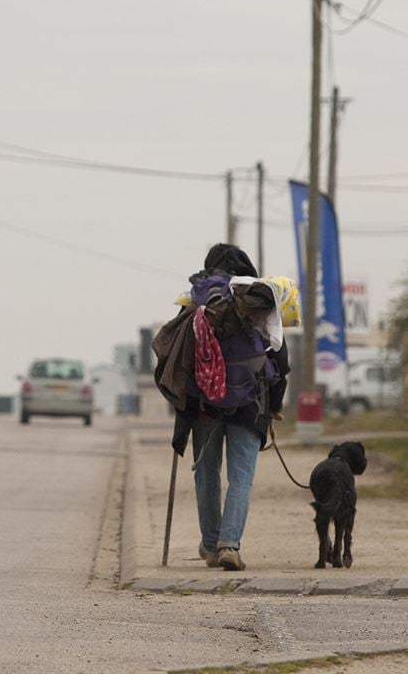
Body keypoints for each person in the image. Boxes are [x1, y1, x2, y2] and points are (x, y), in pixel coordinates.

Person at [160, 243, 290, 571]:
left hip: (207, 403)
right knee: (241, 476)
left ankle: (209, 543)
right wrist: (274, 405)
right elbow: (281, 359)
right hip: (250, 404)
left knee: (206, 473)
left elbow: (177, 354)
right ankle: (229, 545)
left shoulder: (196, 302)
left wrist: (182, 404)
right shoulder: (259, 302)